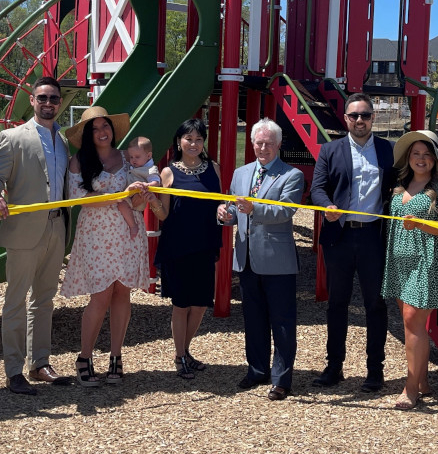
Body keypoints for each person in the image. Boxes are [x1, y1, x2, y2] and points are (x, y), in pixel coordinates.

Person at [0, 76, 72, 395]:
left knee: (44, 299)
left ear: (59, 103)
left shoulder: (63, 140)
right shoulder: (12, 137)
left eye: (54, 99)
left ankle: (40, 363)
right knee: (15, 301)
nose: (48, 103)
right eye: (42, 98)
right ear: (32, 100)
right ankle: (13, 370)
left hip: (56, 228)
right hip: (23, 230)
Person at [310, 93, 396, 392]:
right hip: (340, 237)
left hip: (374, 236)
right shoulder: (330, 151)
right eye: (353, 116)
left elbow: (400, 185)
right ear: (345, 119)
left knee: (375, 304)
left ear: (373, 118)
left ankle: (375, 370)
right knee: (337, 304)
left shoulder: (388, 151)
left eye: (365, 115)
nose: (360, 121)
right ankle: (334, 367)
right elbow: (317, 189)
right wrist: (327, 206)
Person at [59, 106, 150, 386]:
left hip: (127, 233)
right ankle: (84, 356)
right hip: (96, 235)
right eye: (95, 128)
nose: (102, 132)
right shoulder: (78, 162)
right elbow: (78, 199)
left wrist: (142, 194)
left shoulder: (128, 157)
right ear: (87, 134)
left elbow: (141, 196)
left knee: (122, 292)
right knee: (100, 295)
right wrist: (118, 197)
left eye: (105, 126)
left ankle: (116, 355)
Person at [217, 119, 305, 400]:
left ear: (279, 145)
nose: (263, 148)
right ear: (252, 143)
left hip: (277, 260)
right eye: (259, 142)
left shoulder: (291, 175)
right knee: (253, 320)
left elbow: (285, 212)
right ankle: (256, 369)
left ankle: (281, 378)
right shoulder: (241, 174)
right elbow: (233, 209)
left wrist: (253, 208)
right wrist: (225, 215)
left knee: (282, 321)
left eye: (268, 143)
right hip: (245, 259)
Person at [382, 130, 438, 410]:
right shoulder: (397, 186)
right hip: (400, 259)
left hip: (430, 259)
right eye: (416, 153)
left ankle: (411, 388)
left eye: (427, 154)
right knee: (412, 324)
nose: (421, 158)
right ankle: (423, 381)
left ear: (435, 159)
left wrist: (420, 224)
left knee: (412, 319)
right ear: (408, 157)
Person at [146, 118, 223, 380]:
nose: (193, 143)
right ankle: (180, 356)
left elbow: (220, 205)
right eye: (188, 139)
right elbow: (164, 215)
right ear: (179, 142)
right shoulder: (168, 172)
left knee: (200, 304)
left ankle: (185, 350)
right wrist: (152, 201)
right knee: (181, 304)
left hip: (205, 243)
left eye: (198, 139)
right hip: (177, 246)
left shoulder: (214, 168)